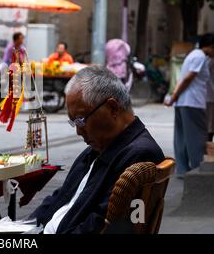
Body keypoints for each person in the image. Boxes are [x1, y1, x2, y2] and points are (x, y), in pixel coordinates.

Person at [29, 66, 164, 234]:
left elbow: (101, 224)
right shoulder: (99, 148)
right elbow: (61, 196)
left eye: (81, 120)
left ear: (112, 108)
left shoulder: (139, 155)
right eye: (74, 122)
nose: (78, 131)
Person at [165, 33, 214, 175]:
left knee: (182, 137)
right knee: (197, 137)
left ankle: (182, 169)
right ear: (210, 47)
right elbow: (188, 78)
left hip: (184, 102)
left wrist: (175, 97)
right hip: (193, 103)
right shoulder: (200, 57)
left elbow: (183, 78)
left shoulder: (193, 54)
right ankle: (197, 170)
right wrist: (174, 96)